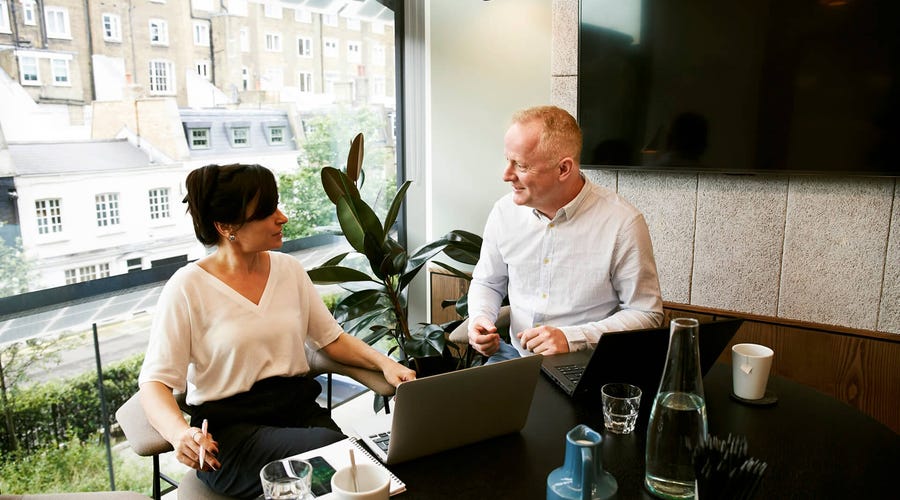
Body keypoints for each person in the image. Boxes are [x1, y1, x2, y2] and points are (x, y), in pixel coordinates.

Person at [138, 163, 415, 498]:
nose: (282, 217)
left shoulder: (289, 270)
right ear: (227, 226)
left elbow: (331, 339)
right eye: (267, 212)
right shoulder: (187, 287)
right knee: (338, 459)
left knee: (364, 477)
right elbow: (154, 383)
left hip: (300, 415)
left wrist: (386, 363)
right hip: (233, 437)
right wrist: (179, 433)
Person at [467, 106, 664, 362]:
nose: (506, 175)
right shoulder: (503, 213)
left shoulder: (623, 223)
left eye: (521, 165)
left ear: (563, 169)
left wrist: (572, 338)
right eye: (508, 160)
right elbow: (488, 282)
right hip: (513, 357)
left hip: (587, 364)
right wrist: (481, 318)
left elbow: (646, 313)